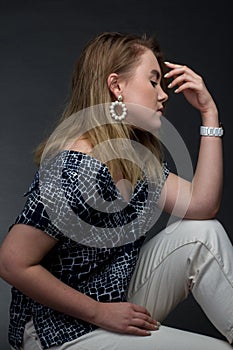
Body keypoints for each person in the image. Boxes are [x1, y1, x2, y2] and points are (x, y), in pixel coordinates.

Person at [0, 31, 232, 350]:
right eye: (153, 82)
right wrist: (99, 313)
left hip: (111, 298)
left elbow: (202, 206)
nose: (163, 95)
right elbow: (12, 262)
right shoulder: (75, 169)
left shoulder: (135, 158)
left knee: (203, 233)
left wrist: (210, 115)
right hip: (57, 329)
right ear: (116, 86)